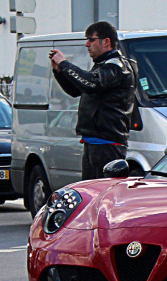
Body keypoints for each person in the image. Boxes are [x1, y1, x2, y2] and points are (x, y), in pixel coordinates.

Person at [50, 21, 137, 180]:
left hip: (108, 143)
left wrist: (65, 63)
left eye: (91, 39)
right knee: (90, 191)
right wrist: (59, 72)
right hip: (94, 141)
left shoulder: (117, 66)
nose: (87, 44)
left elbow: (90, 83)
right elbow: (77, 90)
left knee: (102, 192)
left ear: (106, 42)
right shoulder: (101, 66)